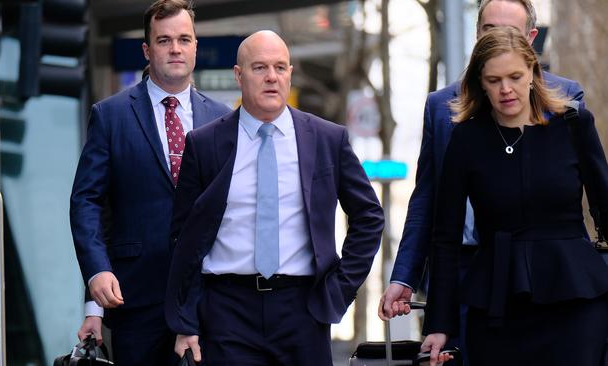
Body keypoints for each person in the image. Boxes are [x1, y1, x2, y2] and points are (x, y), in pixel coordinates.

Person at [163, 30, 384, 365]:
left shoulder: (327, 139)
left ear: (290, 74)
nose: (271, 78)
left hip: (302, 310)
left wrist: (338, 290)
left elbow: (369, 217)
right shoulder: (205, 143)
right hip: (227, 312)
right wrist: (186, 321)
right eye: (260, 68)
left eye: (280, 68)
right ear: (239, 75)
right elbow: (184, 238)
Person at [379, 1, 585, 359]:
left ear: (531, 39)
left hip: (545, 273)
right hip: (463, 273)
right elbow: (427, 199)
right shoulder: (443, 109)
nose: (499, 40)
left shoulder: (566, 103)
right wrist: (404, 277)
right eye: (490, 31)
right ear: (477, 37)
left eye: (511, 32)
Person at [419, 26, 608, 366]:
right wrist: (439, 324)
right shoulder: (466, 139)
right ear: (481, 82)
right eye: (494, 80)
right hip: (496, 303)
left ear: (534, 73)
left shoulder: (574, 124)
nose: (506, 89)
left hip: (575, 301)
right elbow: (444, 237)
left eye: (515, 76)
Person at [69, 0, 231, 364]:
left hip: (210, 300)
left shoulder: (222, 120)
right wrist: (96, 283)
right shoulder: (110, 116)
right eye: (164, 40)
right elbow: (87, 203)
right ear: (147, 49)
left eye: (184, 39)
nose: (175, 49)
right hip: (136, 299)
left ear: (195, 48)